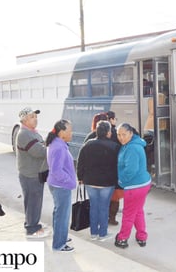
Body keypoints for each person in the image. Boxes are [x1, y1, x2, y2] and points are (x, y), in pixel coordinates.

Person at [77, 120, 120, 241]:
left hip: (90, 182)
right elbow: (118, 166)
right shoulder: (114, 147)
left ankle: (93, 233)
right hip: (107, 183)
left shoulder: (87, 144)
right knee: (104, 207)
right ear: (107, 132)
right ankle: (103, 234)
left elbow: (81, 162)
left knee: (94, 206)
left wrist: (80, 177)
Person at [114, 123, 151, 249]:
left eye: (124, 134)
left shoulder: (132, 148)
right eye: (119, 134)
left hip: (134, 186)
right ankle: (141, 237)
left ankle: (122, 239)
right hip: (142, 184)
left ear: (131, 133)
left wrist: (121, 181)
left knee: (128, 214)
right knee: (138, 211)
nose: (121, 137)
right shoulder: (131, 144)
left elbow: (131, 170)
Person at [16, 107, 49, 239]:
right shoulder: (24, 134)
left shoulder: (32, 132)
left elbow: (42, 146)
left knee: (32, 201)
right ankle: (32, 229)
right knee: (33, 202)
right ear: (24, 120)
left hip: (34, 173)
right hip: (30, 174)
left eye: (36, 116)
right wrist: (51, 146)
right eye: (32, 117)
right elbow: (40, 152)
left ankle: (32, 223)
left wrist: (46, 144)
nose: (35, 119)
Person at [45, 119, 77, 252]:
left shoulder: (58, 143)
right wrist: (69, 180)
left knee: (59, 213)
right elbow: (56, 170)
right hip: (61, 186)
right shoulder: (58, 147)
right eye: (69, 131)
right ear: (62, 132)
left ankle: (60, 236)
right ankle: (59, 244)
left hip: (57, 184)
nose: (72, 133)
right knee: (62, 215)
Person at [106, 110, 123, 226]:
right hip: (115, 170)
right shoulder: (116, 133)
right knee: (115, 197)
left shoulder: (93, 135)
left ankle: (103, 218)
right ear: (111, 120)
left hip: (102, 173)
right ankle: (112, 218)